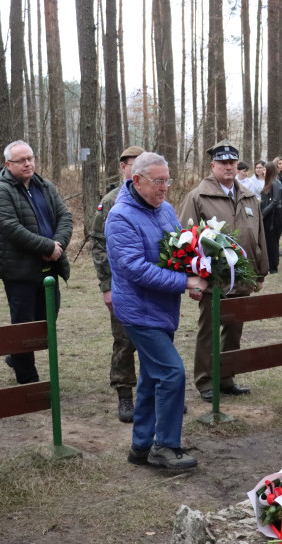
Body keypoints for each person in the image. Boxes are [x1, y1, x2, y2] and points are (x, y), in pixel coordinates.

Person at [106, 152, 206, 470]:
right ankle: (165, 446)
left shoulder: (166, 210)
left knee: (152, 377)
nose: (164, 187)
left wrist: (196, 273)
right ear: (136, 181)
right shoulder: (120, 217)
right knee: (172, 373)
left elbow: (179, 251)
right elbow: (136, 269)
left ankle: (141, 446)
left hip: (163, 309)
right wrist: (184, 282)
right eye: (158, 181)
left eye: (167, 180)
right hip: (139, 311)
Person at [178, 140, 269, 402]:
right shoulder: (198, 197)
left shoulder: (249, 196)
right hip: (212, 279)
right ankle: (205, 380)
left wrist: (260, 273)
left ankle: (226, 377)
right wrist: (191, 278)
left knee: (234, 329)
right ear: (213, 166)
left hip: (243, 276)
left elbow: (259, 235)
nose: (229, 167)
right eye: (223, 163)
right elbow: (185, 239)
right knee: (209, 330)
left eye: (232, 162)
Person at [0, 140, 73, 384]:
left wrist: (57, 245)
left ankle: (16, 357)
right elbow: (10, 227)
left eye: (30, 158)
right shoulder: (0, 190)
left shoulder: (45, 186)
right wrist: (46, 247)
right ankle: (27, 379)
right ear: (8, 165)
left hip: (49, 268)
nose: (28, 164)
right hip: (20, 272)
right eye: (21, 160)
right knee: (23, 327)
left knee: (47, 321)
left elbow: (64, 217)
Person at [92, 145, 145, 422]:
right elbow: (99, 246)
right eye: (133, 165)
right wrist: (107, 286)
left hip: (151, 284)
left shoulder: (153, 197)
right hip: (122, 286)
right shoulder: (112, 201)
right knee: (124, 340)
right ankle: (125, 394)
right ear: (123, 168)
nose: (138, 170)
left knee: (155, 339)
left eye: (142, 164)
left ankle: (154, 394)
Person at [260, 159, 282, 274]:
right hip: (269, 216)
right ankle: (269, 265)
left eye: (265, 170)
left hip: (275, 217)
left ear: (270, 170)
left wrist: (263, 213)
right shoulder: (268, 183)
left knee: (273, 243)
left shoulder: (275, 183)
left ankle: (273, 267)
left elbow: (275, 201)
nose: (263, 172)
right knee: (269, 242)